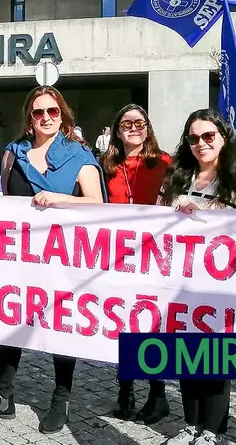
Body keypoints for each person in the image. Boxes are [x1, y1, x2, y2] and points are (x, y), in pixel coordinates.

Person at [0, 86, 106, 434]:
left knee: (61, 325)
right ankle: (3, 396)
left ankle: (61, 400)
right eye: (38, 112)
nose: (45, 118)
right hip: (19, 255)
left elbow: (97, 202)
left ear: (63, 115)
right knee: (9, 319)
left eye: (52, 112)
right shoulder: (14, 152)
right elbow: (2, 197)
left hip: (63, 256)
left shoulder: (79, 155)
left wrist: (59, 198)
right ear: (29, 118)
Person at [158, 109, 236, 445]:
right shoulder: (176, 178)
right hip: (182, 284)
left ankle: (212, 430)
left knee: (217, 357)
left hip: (223, 286)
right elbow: (155, 219)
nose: (200, 144)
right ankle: (191, 424)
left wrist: (206, 215)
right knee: (188, 355)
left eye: (207, 136)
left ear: (222, 138)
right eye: (193, 138)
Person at [99, 104, 172, 424]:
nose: (133, 128)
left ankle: (158, 395)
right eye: (126, 123)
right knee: (125, 326)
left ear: (148, 127)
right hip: (119, 258)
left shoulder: (165, 162)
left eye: (139, 123)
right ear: (117, 129)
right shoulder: (107, 163)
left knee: (154, 326)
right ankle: (125, 392)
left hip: (156, 257)